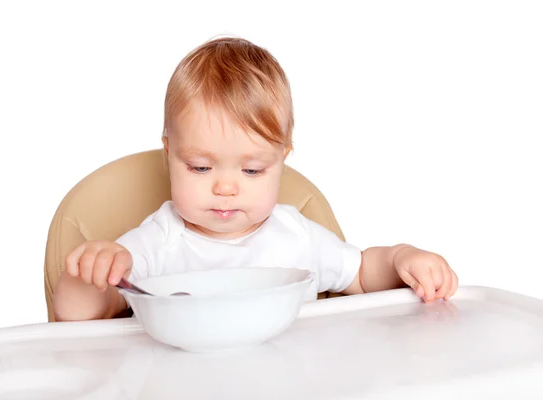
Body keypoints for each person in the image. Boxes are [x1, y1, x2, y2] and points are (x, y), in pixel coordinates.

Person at [53, 36, 458, 322]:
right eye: (199, 167)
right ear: (169, 156)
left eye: (251, 170)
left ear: (281, 160)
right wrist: (88, 276)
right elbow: (80, 318)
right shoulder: (157, 243)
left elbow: (364, 277)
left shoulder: (295, 236)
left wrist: (403, 258)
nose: (225, 187)